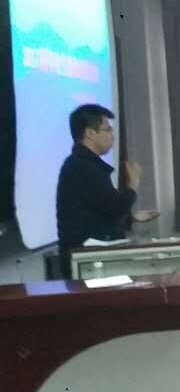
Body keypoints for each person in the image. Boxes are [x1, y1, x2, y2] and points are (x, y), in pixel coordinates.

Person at [55, 104, 157, 276]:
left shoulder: (86, 164)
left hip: (91, 258)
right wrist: (133, 183)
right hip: (86, 260)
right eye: (108, 129)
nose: (113, 135)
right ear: (89, 133)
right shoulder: (82, 166)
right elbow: (115, 208)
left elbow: (99, 212)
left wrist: (131, 218)